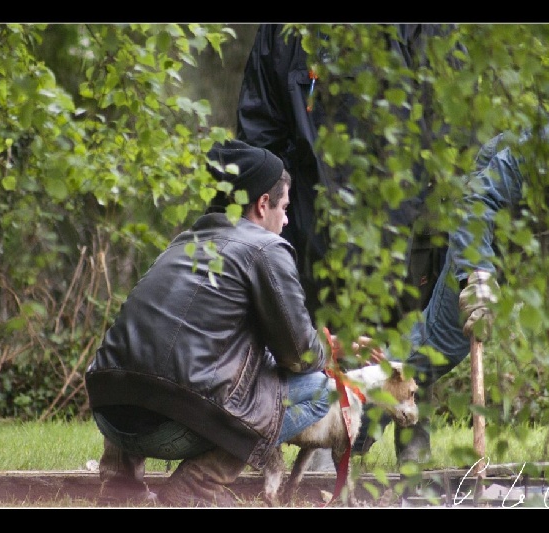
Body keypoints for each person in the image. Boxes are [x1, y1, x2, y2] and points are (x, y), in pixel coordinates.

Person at [84, 139, 373, 506]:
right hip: (172, 426)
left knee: (143, 360)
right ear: (263, 204)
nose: (286, 220)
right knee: (319, 389)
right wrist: (326, 351)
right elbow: (299, 355)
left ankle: (120, 487)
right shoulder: (266, 248)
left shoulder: (184, 243)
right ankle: (195, 486)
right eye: (284, 207)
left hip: (110, 414)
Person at [236, 23, 468, 465]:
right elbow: (260, 131)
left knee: (408, 337)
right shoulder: (286, 33)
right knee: (323, 339)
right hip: (314, 221)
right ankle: (320, 458)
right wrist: (275, 209)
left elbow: (454, 118)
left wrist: (440, 208)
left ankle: (414, 464)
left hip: (407, 218)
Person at [391, 114, 549, 464]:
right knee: (446, 338)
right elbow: (478, 199)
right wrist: (477, 273)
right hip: (505, 210)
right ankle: (345, 425)